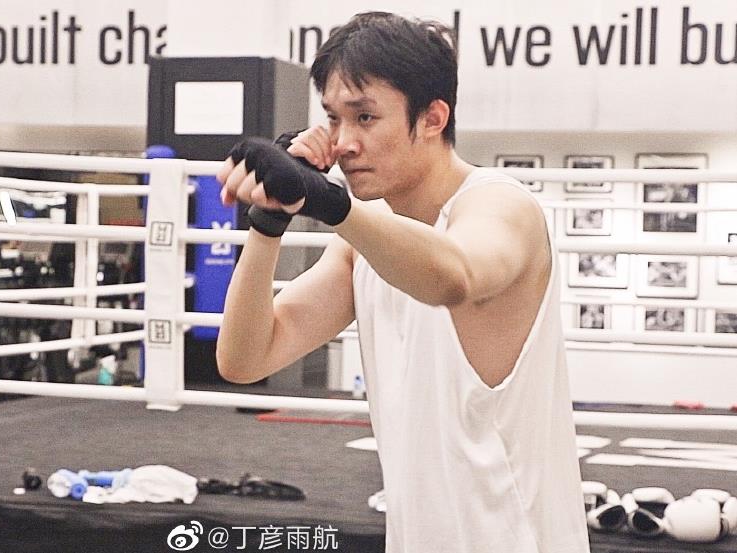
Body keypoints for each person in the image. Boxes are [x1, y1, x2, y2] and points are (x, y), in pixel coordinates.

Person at [215, 11, 589, 553]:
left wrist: (330, 204)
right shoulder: (361, 244)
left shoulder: (500, 204)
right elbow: (245, 359)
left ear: (432, 118)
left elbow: (454, 277)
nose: (344, 142)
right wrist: (270, 219)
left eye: (365, 117)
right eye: (334, 119)